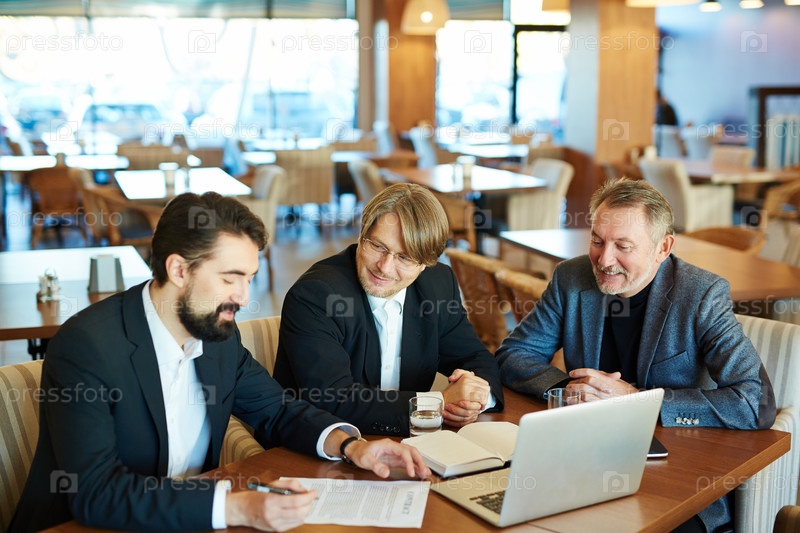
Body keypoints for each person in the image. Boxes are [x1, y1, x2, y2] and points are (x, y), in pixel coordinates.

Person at [10, 192, 430, 533]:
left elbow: (277, 409)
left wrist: (352, 446)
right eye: (230, 278)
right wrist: (236, 507)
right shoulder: (87, 346)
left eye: (249, 279)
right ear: (179, 269)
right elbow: (97, 493)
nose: (244, 298)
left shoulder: (218, 335)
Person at [495, 178, 776, 533]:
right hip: (583, 459)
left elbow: (756, 403)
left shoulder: (701, 295)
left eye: (623, 246)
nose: (604, 260)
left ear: (663, 247)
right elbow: (513, 353)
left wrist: (637, 400)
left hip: (678, 473)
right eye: (597, 241)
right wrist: (569, 389)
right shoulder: (571, 277)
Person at [273, 183, 504, 436]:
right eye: (378, 246)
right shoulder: (317, 295)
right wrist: (437, 403)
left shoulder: (438, 284)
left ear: (425, 264)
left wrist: (475, 398)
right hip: (318, 445)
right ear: (362, 235)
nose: (384, 267)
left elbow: (475, 357)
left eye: (404, 257)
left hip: (406, 442)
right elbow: (333, 400)